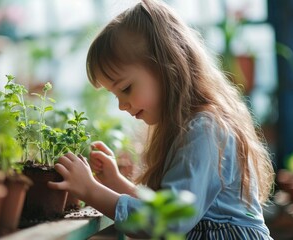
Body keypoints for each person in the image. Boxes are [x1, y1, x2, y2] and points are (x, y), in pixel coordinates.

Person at [48, 0, 275, 239]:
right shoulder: (192, 127)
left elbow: (168, 221)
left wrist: (90, 190)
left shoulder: (205, 129)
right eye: (115, 95)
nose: (121, 105)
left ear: (167, 66)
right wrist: (115, 182)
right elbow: (163, 209)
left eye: (125, 88)